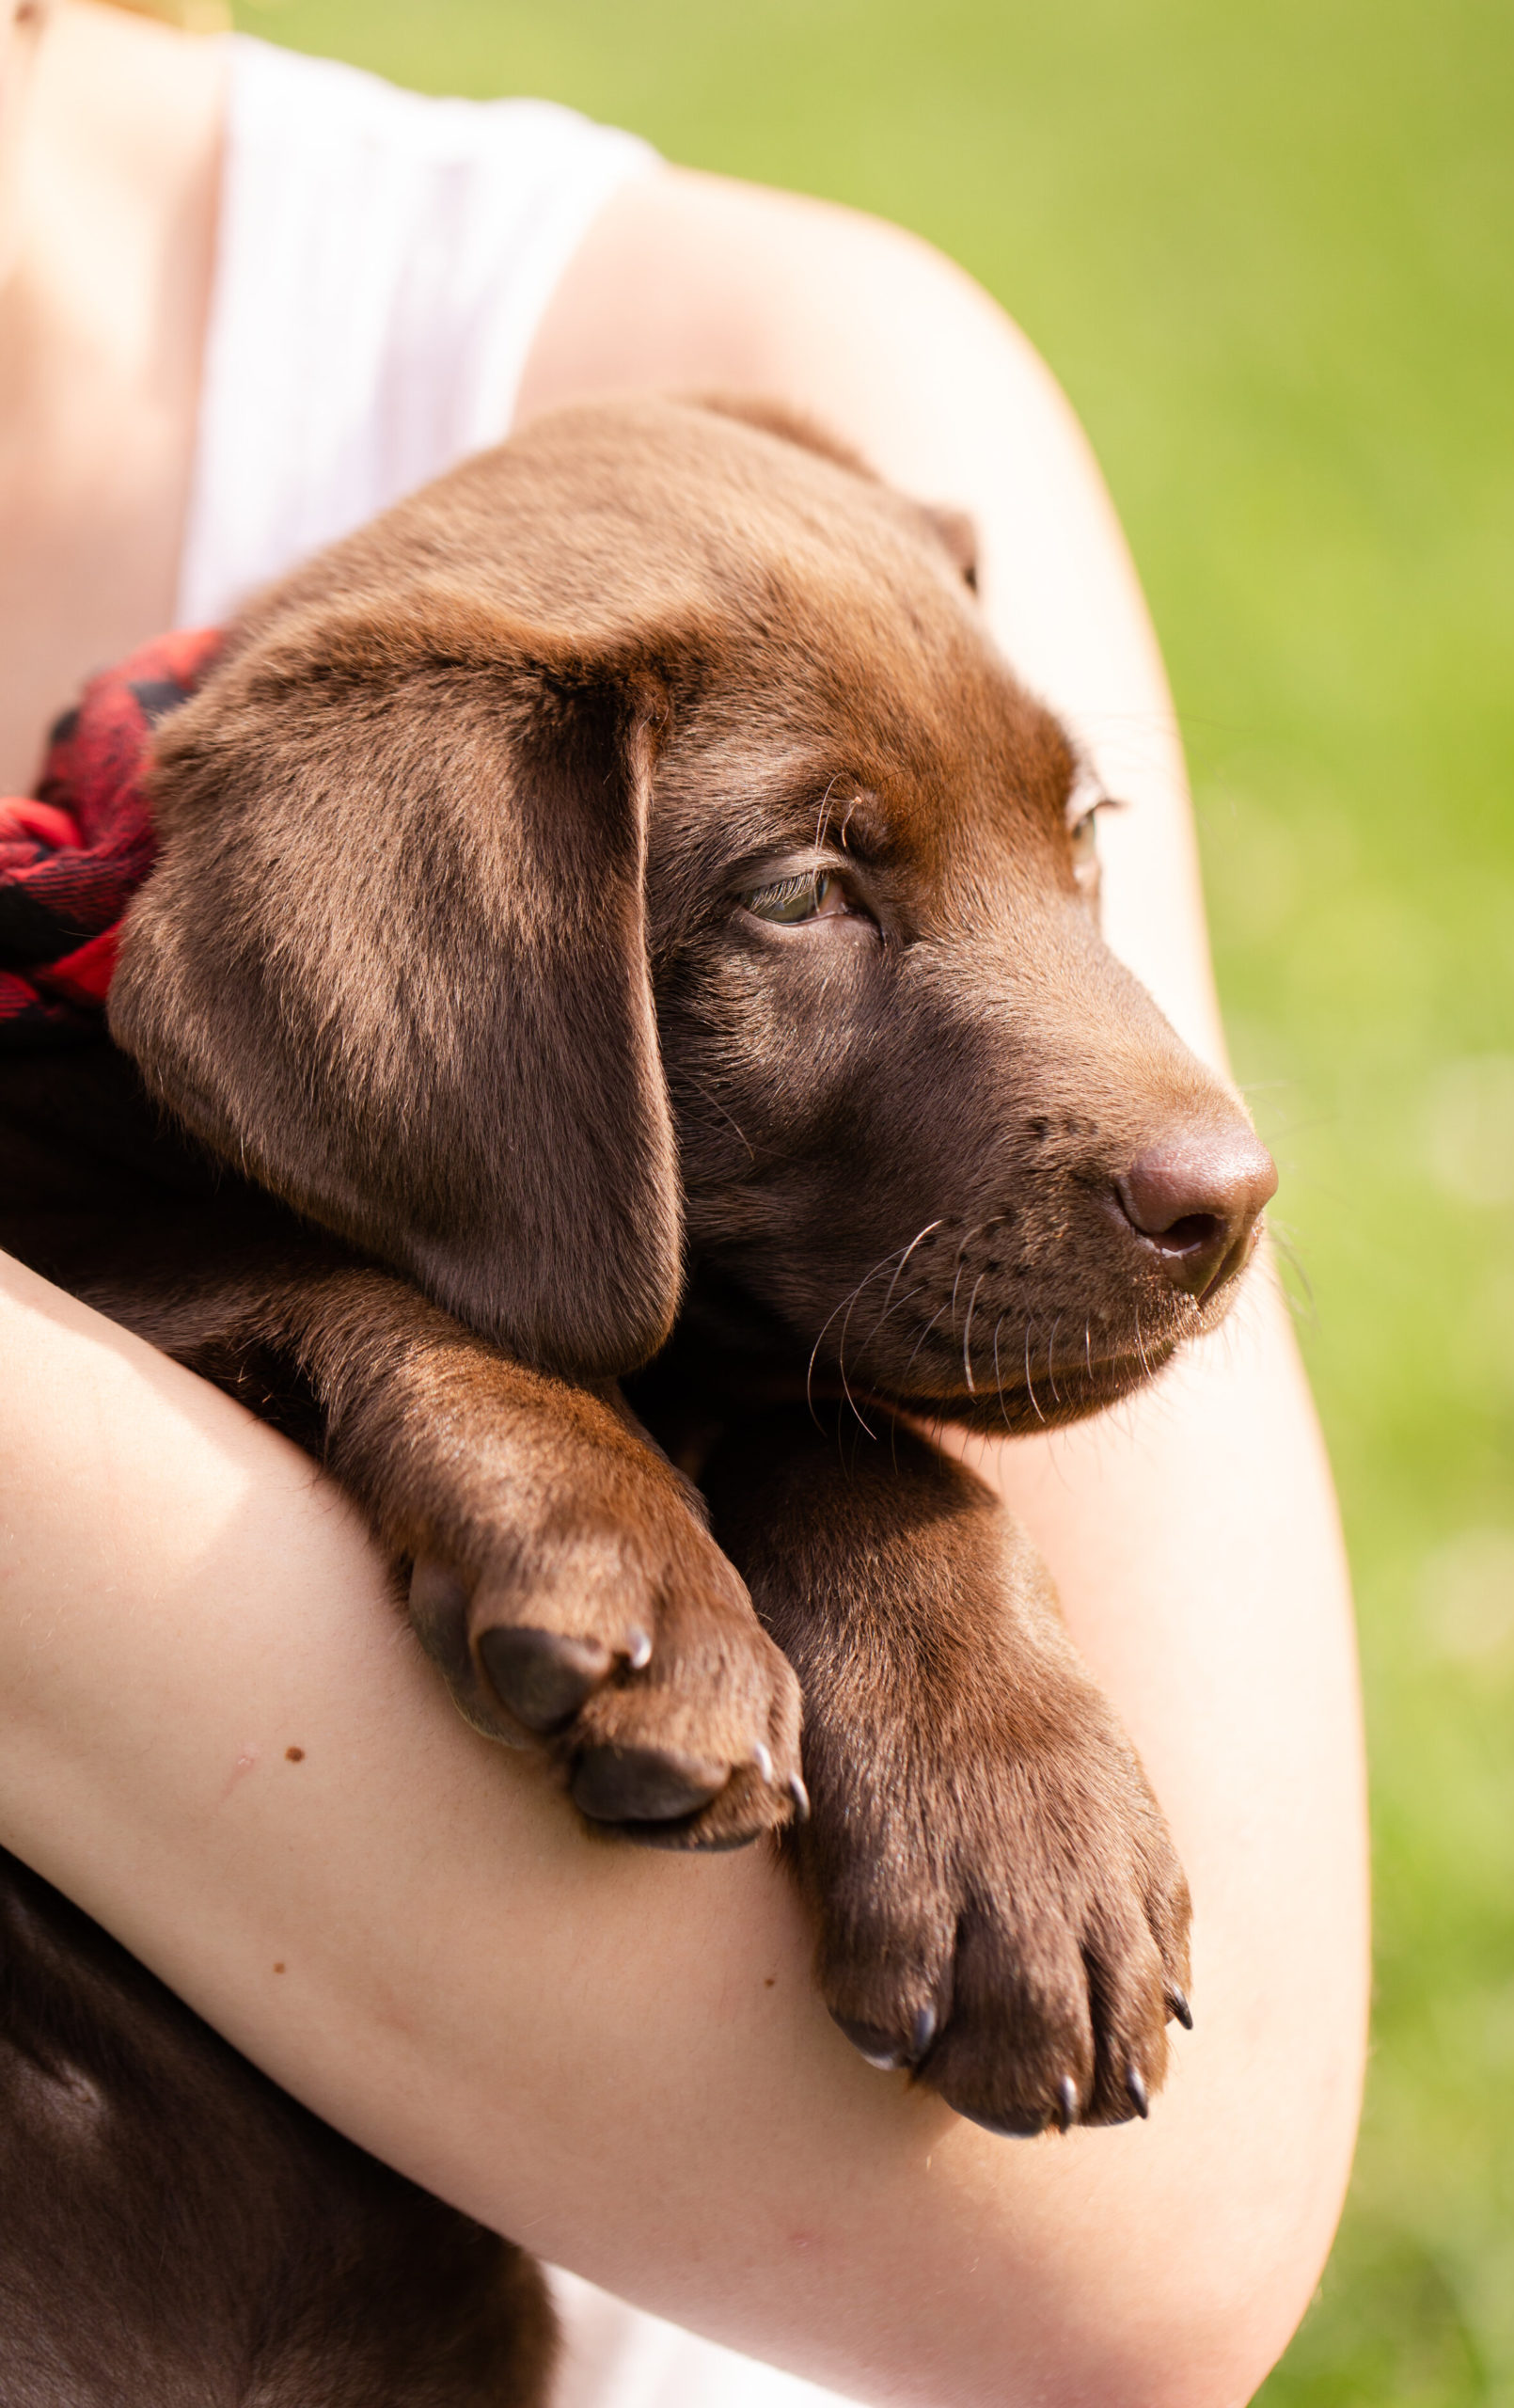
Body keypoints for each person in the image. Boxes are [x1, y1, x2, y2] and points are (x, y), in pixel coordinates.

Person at [0, 1, 1369, 2400]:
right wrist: (418, 1360)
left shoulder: (716, 347)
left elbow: (1130, 2257)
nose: (1191, 1124)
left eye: (1068, 852)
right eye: (815, 892)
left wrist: (889, 1531)